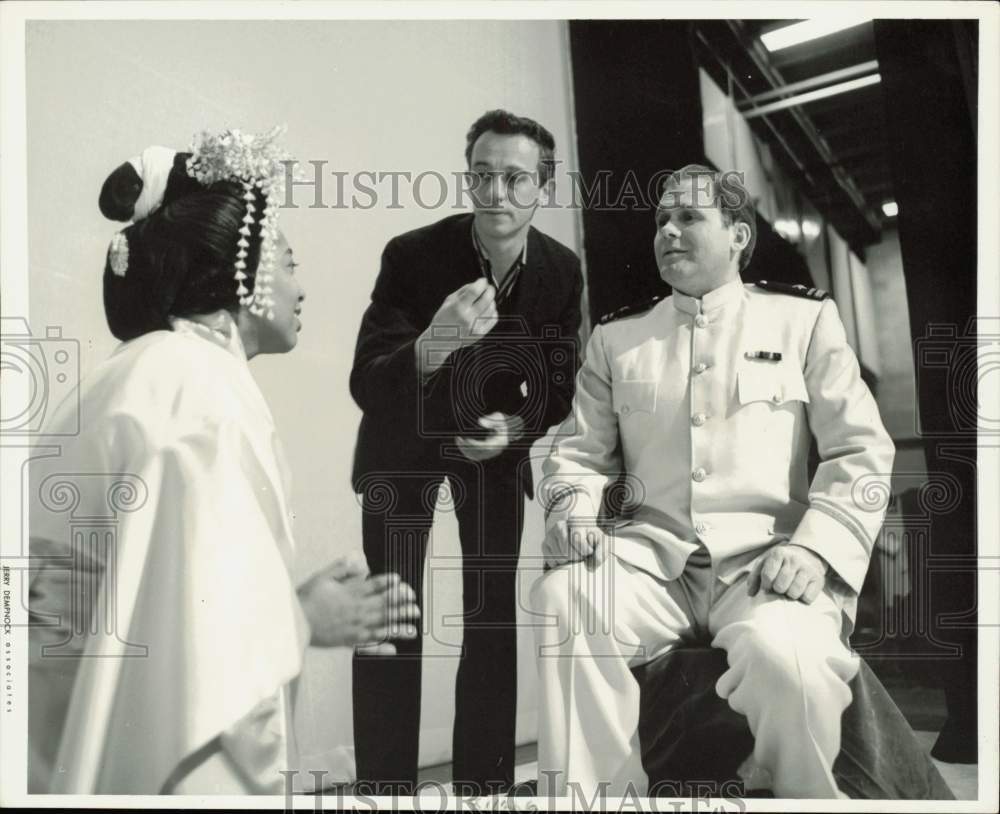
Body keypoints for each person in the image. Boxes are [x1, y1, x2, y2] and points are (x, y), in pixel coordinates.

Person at [27, 129, 420, 795]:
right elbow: (188, 659)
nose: (302, 289)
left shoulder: (143, 370)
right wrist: (302, 619)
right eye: (289, 262)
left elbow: (169, 590)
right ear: (242, 269)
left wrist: (283, 607)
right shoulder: (197, 392)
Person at [530, 164, 895, 799]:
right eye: (660, 220)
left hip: (764, 563)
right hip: (652, 566)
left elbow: (859, 448)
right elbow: (580, 454)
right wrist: (572, 512)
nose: (667, 230)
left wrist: (815, 548)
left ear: (738, 235)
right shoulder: (618, 339)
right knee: (565, 601)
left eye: (688, 217)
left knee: (790, 661)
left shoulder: (801, 321)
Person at [350, 110, 583, 795]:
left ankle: (485, 789)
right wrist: (435, 340)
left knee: (490, 617)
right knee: (393, 617)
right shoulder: (411, 253)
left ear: (543, 186)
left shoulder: (560, 271)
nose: (496, 195)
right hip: (402, 448)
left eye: (515, 179)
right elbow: (366, 378)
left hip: (493, 453)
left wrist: (517, 428)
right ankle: (385, 793)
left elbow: (560, 381)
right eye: (482, 176)